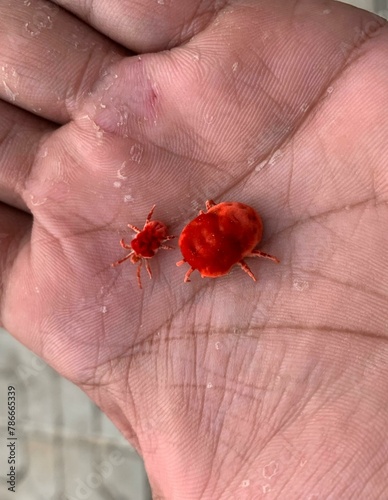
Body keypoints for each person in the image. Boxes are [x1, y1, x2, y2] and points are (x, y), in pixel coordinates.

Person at [1, 0, 387, 497]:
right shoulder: (186, 240)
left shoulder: (191, 247)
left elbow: (213, 247)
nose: (186, 262)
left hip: (234, 224)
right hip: (233, 220)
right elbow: (209, 235)